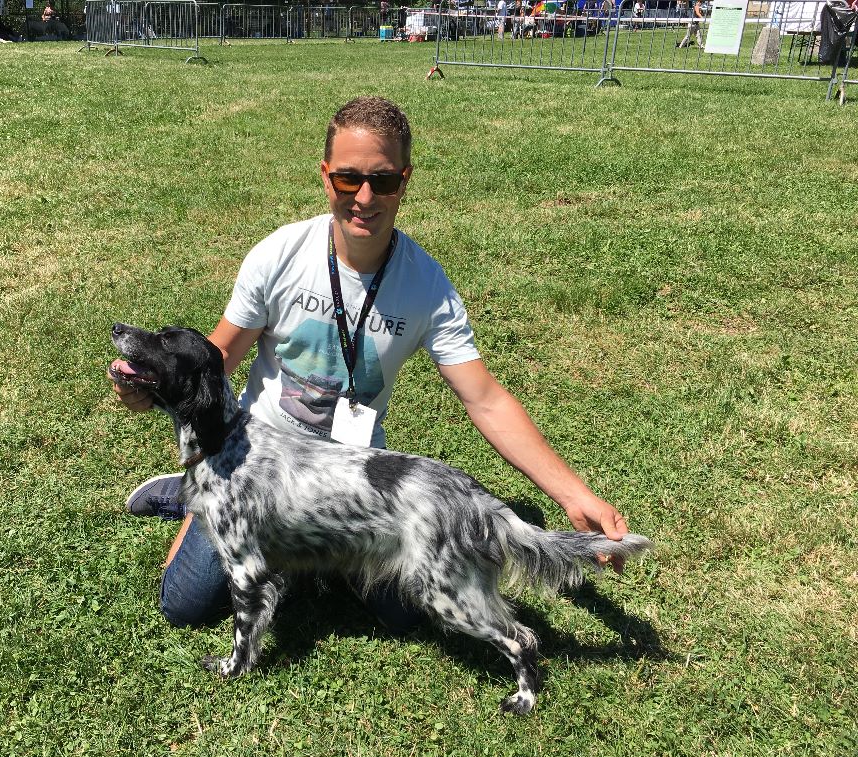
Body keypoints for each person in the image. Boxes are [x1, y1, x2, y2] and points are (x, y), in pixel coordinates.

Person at [109, 97, 631, 634]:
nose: (363, 197)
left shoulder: (426, 285)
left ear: (404, 181)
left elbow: (486, 399)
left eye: (381, 182)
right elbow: (214, 361)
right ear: (325, 176)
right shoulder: (280, 255)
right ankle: (188, 491)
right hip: (254, 466)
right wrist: (157, 391)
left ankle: (304, 545)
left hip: (352, 478)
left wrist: (573, 494)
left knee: (409, 613)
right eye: (347, 179)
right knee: (185, 605)